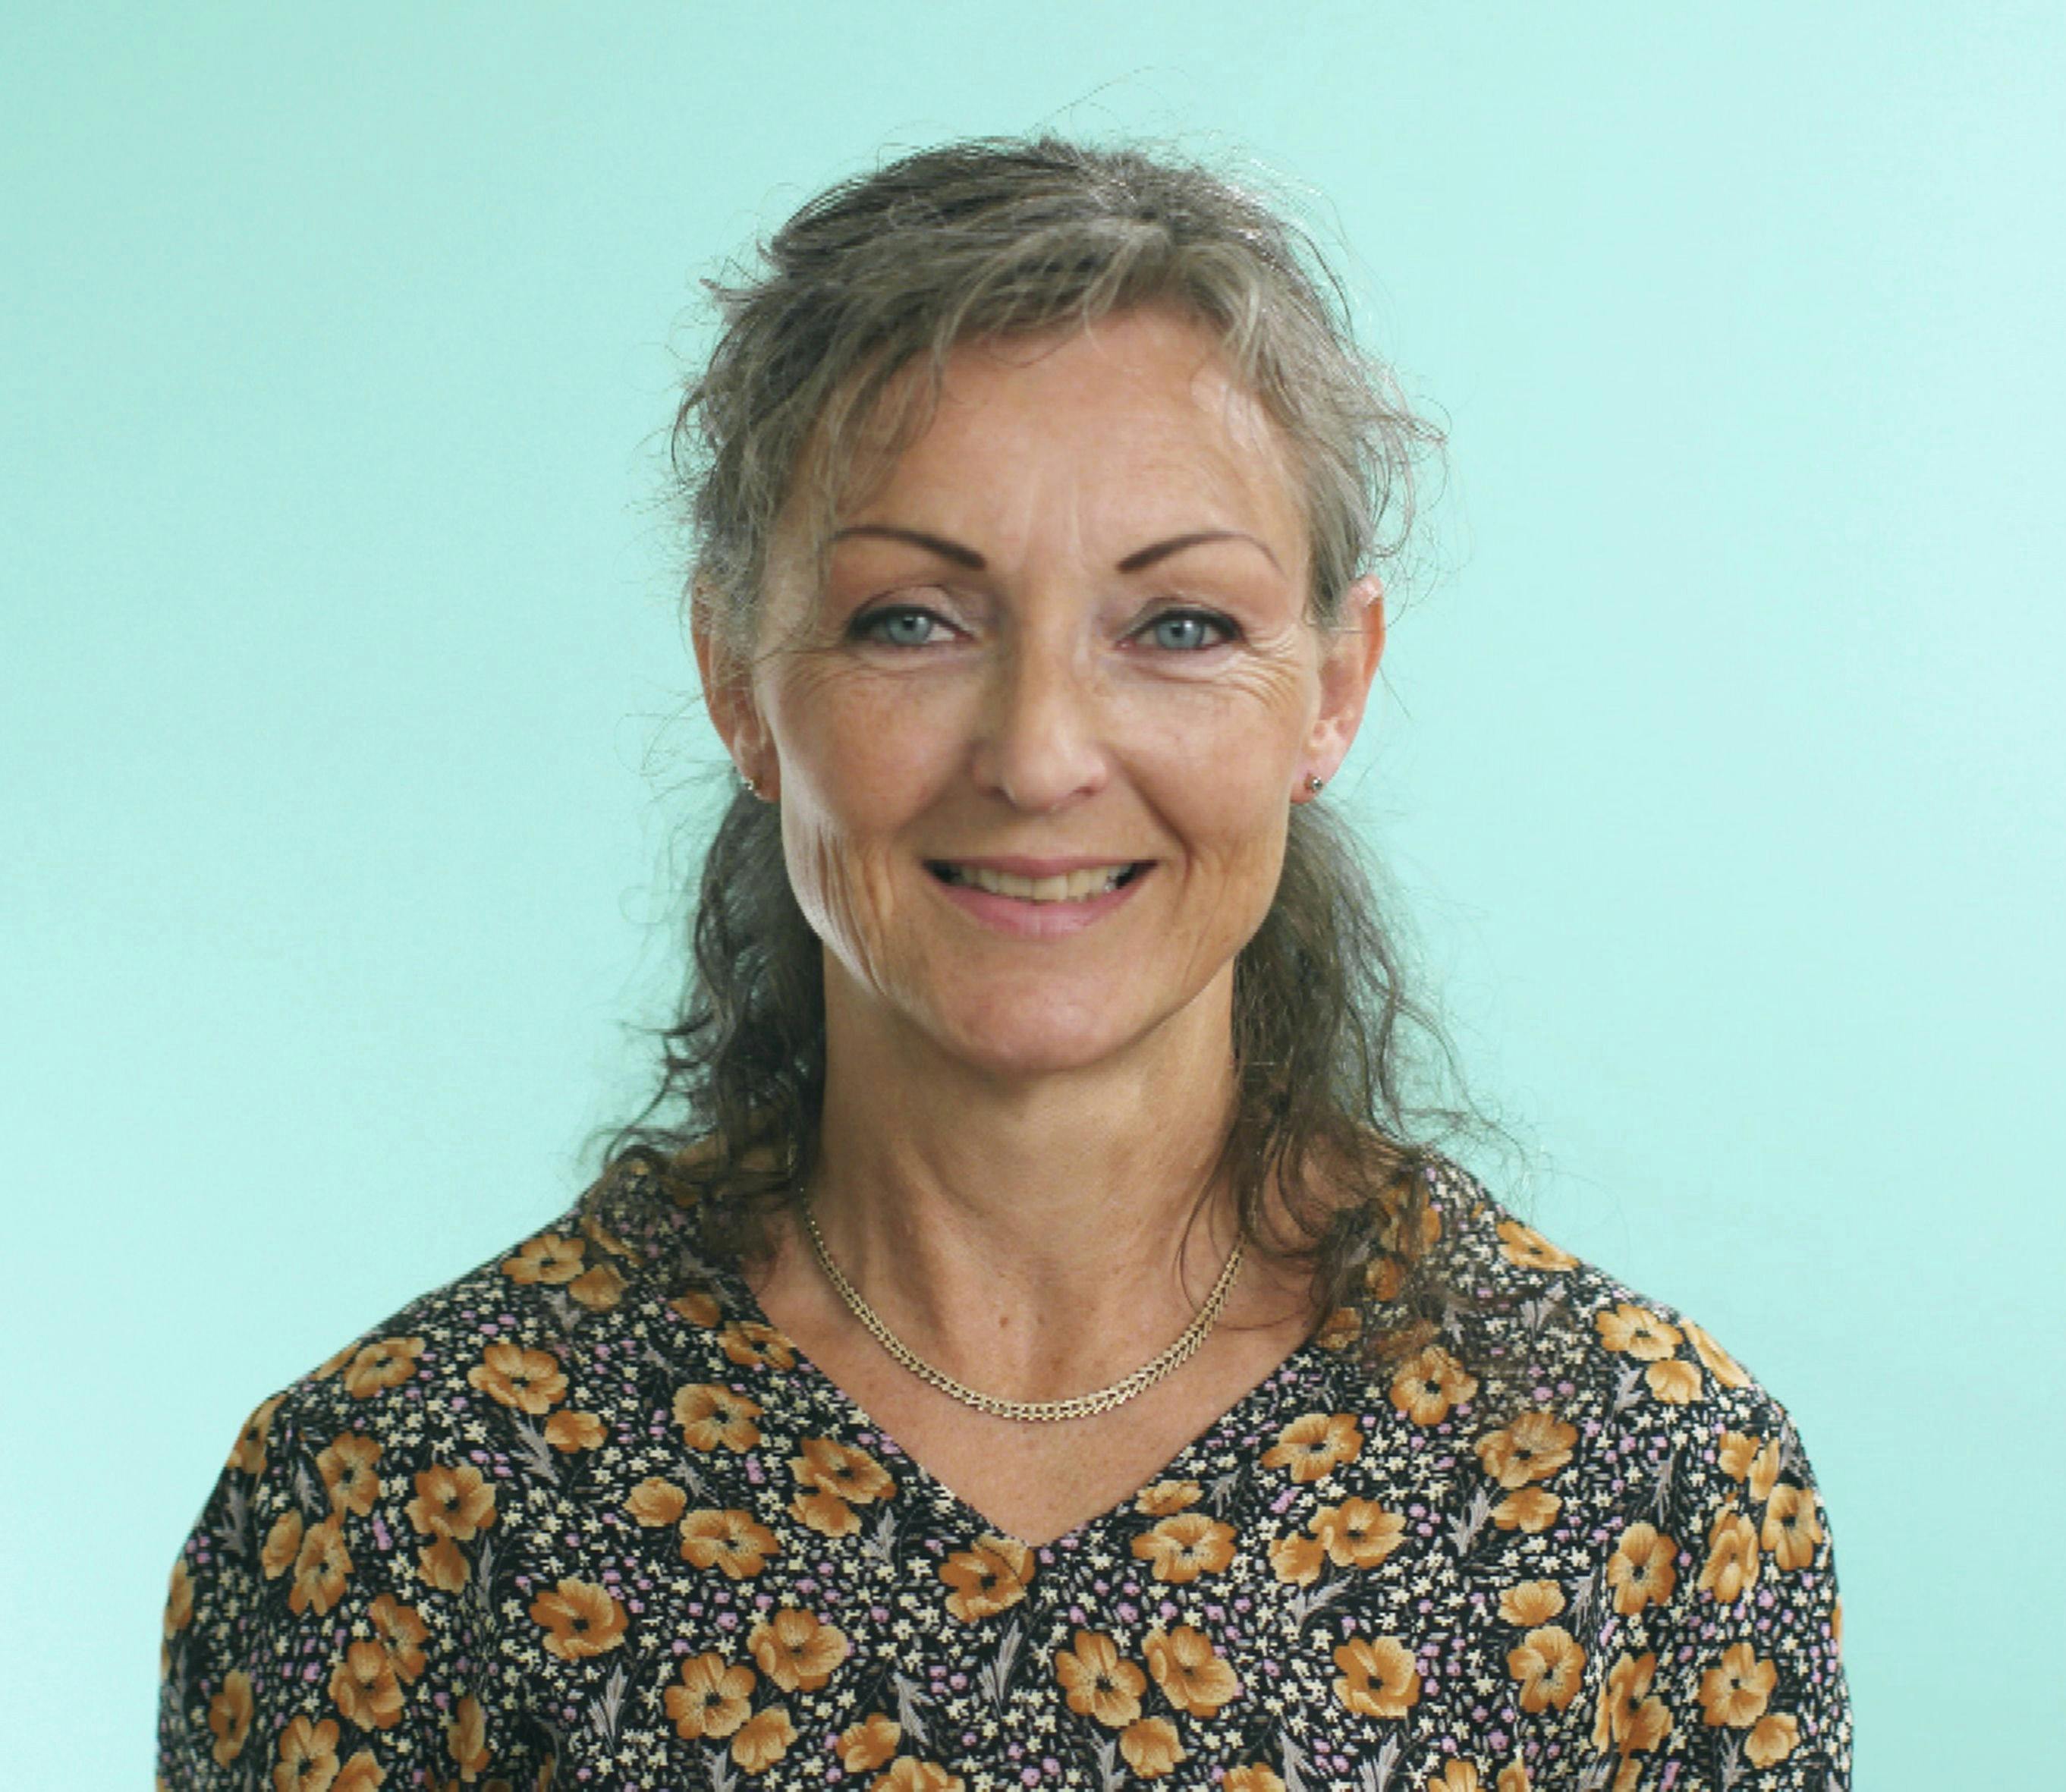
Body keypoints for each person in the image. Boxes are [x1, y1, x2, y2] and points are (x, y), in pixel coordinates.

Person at [158, 136, 1851, 1790]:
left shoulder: (1642, 1481)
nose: (1041, 756)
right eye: (913, 619)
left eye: (1179, 626)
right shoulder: (401, 1498)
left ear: (1336, 686)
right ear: (737, 676)